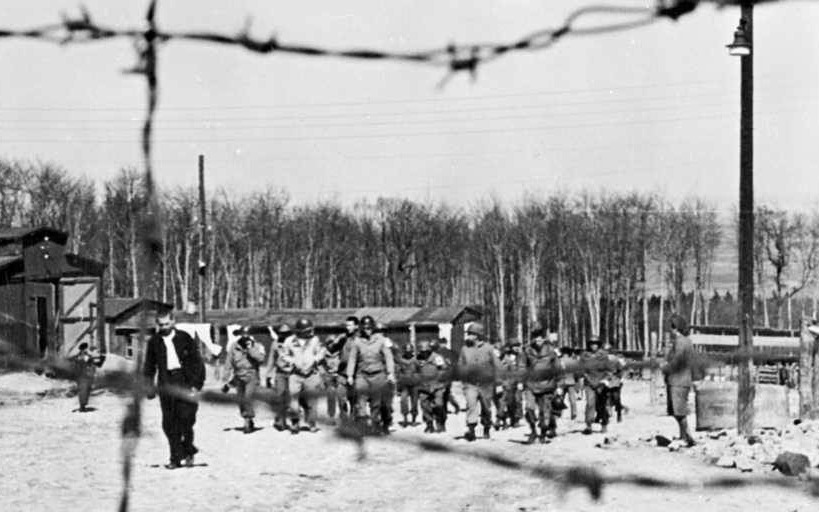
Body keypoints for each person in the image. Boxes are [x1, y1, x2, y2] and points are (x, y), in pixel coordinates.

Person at [143, 311, 206, 469]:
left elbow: (197, 362)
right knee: (169, 423)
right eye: (161, 325)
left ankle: (188, 448)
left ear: (173, 322)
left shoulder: (184, 337)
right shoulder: (154, 342)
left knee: (186, 419)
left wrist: (196, 384)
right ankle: (175, 458)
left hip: (185, 381)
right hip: (166, 383)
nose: (164, 327)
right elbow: (149, 366)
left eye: (167, 324)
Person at [346, 315, 396, 435]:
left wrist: (390, 373)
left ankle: (375, 423)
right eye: (364, 328)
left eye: (369, 327)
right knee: (361, 400)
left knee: (376, 402)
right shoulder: (357, 341)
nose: (367, 330)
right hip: (362, 375)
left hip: (378, 374)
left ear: (373, 327)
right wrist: (350, 375)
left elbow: (388, 357)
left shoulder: (381, 340)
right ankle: (362, 424)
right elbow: (352, 358)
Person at [457, 322, 500, 441]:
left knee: (486, 408)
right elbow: (460, 364)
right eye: (468, 334)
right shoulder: (464, 349)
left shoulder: (489, 348)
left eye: (471, 334)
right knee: (471, 405)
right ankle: (471, 430)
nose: (469, 336)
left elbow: (497, 366)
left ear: (478, 335)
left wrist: (499, 382)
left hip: (486, 384)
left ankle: (486, 426)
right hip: (470, 384)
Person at [281, 318, 325, 434]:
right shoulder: (289, 341)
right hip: (295, 374)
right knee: (293, 400)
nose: (311, 332)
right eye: (307, 330)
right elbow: (284, 355)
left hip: (311, 374)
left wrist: (315, 360)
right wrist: (292, 361)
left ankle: (312, 423)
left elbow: (321, 352)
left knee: (312, 401)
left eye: (311, 330)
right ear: (300, 331)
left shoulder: (315, 340)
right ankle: (295, 422)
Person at [663, 314, 697, 447]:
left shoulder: (680, 341)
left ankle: (687, 437)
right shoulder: (687, 341)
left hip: (678, 380)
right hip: (682, 379)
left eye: (671, 327)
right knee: (677, 410)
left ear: (675, 328)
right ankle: (684, 436)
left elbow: (677, 360)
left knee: (679, 411)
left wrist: (666, 367)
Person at [224, 326, 265, 434]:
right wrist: (226, 374)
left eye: (247, 334)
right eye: (242, 334)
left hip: (252, 375)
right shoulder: (234, 346)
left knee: (248, 398)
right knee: (241, 400)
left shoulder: (257, 346)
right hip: (238, 376)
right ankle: (247, 418)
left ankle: (248, 419)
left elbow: (261, 359)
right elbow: (229, 361)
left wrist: (250, 349)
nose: (245, 336)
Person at [522, 333, 561, 443]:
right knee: (529, 408)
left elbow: (558, 368)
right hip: (531, 384)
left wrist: (559, 385)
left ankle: (543, 433)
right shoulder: (527, 351)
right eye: (536, 338)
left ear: (544, 339)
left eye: (540, 338)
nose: (538, 341)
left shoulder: (551, 351)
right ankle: (533, 431)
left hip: (547, 385)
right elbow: (522, 367)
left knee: (545, 412)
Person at [580, 335, 615, 435]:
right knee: (590, 404)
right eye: (591, 344)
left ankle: (604, 423)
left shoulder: (604, 356)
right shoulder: (584, 356)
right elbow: (581, 369)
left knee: (601, 404)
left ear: (598, 345)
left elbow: (610, 370)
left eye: (595, 344)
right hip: (589, 383)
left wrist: (605, 380)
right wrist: (585, 377)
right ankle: (588, 425)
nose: (593, 346)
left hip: (601, 383)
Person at [263, 323, 294, 431]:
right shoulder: (275, 343)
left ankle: (293, 421)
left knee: (292, 398)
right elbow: (271, 359)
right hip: (280, 373)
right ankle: (281, 421)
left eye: (286, 333)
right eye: (282, 333)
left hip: (293, 373)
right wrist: (268, 375)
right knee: (280, 396)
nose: (284, 335)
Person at [415, 339, 448, 433]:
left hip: (437, 386)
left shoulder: (437, 357)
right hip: (424, 386)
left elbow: (444, 370)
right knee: (424, 406)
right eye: (422, 351)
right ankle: (429, 424)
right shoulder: (418, 358)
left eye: (426, 351)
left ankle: (440, 422)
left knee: (439, 404)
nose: (424, 353)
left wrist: (441, 381)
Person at [430, 338, 461, 428]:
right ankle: (442, 418)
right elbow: (457, 365)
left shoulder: (436, 354)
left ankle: (440, 420)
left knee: (440, 398)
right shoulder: (452, 353)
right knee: (445, 396)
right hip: (447, 378)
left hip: (440, 379)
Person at [68, 341, 104, 412]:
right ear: (83, 349)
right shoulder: (83, 356)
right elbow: (87, 362)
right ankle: (82, 406)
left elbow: (92, 363)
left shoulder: (81, 355)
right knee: (83, 391)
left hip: (84, 375)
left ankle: (83, 405)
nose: (86, 350)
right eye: (85, 348)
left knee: (85, 391)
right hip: (83, 375)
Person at [395, 342, 419, 427]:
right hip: (404, 383)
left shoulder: (416, 360)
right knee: (403, 400)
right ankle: (405, 417)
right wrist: (398, 386)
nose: (408, 352)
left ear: (412, 351)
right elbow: (397, 372)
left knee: (414, 402)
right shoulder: (400, 360)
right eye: (406, 350)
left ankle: (414, 418)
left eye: (409, 350)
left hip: (414, 383)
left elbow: (420, 371)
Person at [559, 348, 579, 421]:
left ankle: (559, 413)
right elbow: (577, 372)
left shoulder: (559, 361)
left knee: (560, 398)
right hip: (571, 381)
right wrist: (576, 381)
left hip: (561, 382)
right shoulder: (573, 361)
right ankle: (574, 412)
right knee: (572, 398)